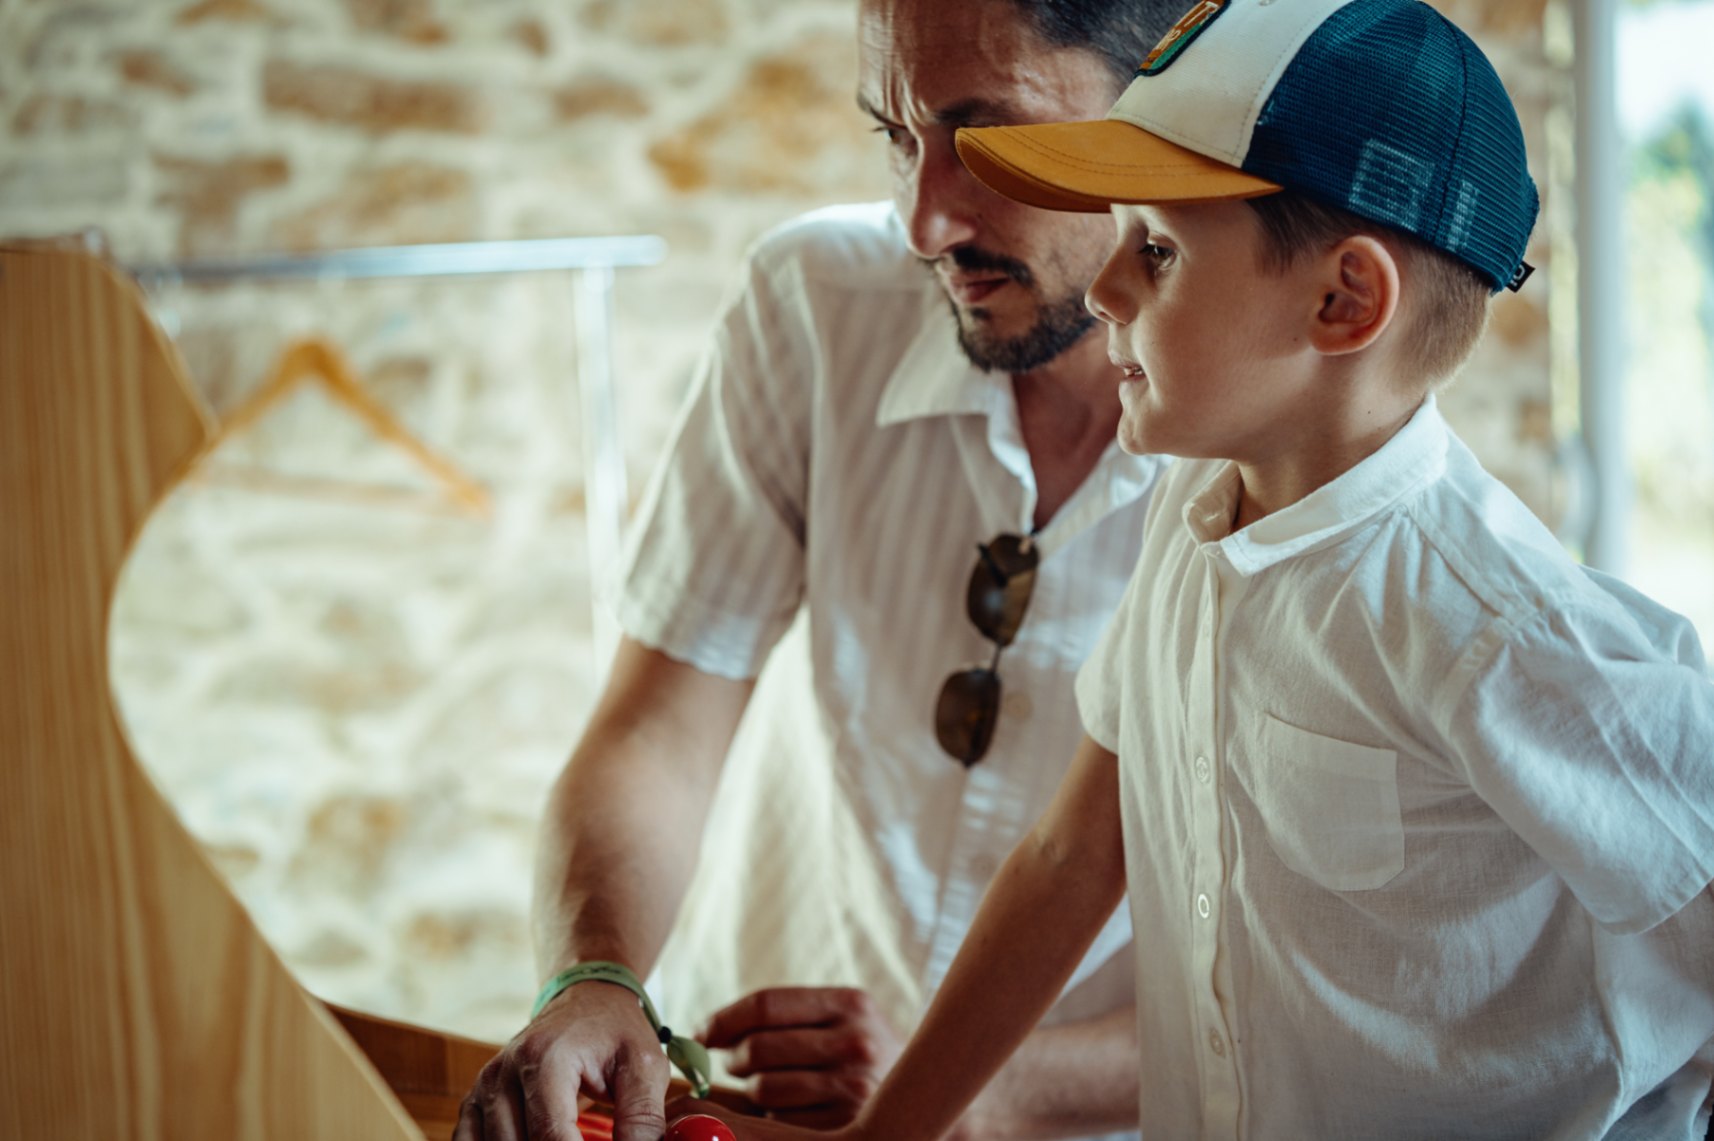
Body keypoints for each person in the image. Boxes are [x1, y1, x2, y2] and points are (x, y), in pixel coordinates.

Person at [676, 0, 1714, 1137]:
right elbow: (1072, 856)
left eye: (1156, 250)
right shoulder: (1191, 526)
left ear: (1342, 301)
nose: (1107, 288)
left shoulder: (1499, 630)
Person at [454, 2, 1189, 1139]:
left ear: (1169, 102)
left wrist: (976, 1086)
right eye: (899, 139)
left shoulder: (1286, 445)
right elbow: (657, 726)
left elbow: (1307, 987)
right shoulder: (810, 305)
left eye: (985, 140)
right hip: (737, 1114)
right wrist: (594, 977)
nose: (922, 220)